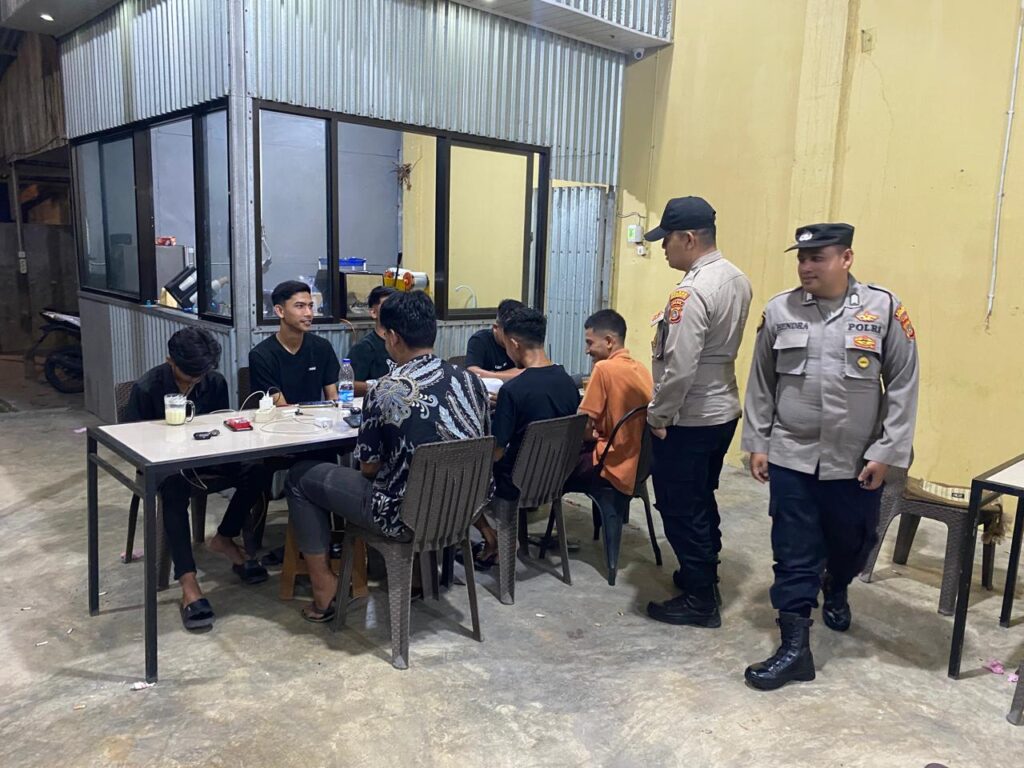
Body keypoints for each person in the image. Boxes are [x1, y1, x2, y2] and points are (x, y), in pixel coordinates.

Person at [741, 222, 919, 690]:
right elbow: (761, 382)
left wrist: (887, 451)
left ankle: (837, 584)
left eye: (817, 257)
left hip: (856, 460)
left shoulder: (883, 309)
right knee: (793, 551)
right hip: (792, 455)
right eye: (802, 258)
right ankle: (794, 648)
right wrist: (758, 441)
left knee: (853, 544)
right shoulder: (780, 310)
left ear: (846, 258)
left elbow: (903, 384)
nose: (806, 267)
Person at [285, 291, 490, 622]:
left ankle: (324, 590)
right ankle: (419, 577)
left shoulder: (386, 389)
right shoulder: (471, 381)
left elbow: (368, 468)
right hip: (461, 510)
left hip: (402, 518)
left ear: (392, 336)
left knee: (299, 476)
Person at [642, 196, 753, 629]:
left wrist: (658, 416)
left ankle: (700, 600)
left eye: (666, 239)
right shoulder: (736, 278)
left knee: (679, 506)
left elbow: (680, 366)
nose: (662, 248)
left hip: (688, 417)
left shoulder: (690, 291)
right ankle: (700, 574)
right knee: (701, 497)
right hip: (721, 410)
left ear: (688, 238)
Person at [125, 328, 269, 631]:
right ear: (170, 361)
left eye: (201, 374)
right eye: (189, 375)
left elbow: (219, 427)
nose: (195, 381)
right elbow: (131, 443)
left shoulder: (213, 381)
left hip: (206, 459)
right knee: (174, 491)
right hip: (166, 465)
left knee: (258, 467)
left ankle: (224, 537)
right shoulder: (147, 388)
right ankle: (188, 582)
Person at [469, 307, 581, 566]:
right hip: (556, 477)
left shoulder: (514, 390)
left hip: (516, 481)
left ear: (514, 344)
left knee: (462, 474)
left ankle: (489, 540)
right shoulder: (567, 381)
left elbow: (497, 452)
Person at [564, 309, 654, 495]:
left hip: (610, 466)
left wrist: (593, 435)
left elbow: (583, 424)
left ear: (609, 341)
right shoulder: (641, 369)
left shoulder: (603, 369)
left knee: (554, 468)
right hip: (639, 465)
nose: (587, 350)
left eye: (590, 343)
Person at [249, 280, 340, 405]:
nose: (309, 313)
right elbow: (282, 408)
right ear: (280, 311)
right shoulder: (261, 355)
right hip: (282, 417)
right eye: (300, 306)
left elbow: (333, 398)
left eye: (310, 306)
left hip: (317, 416)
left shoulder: (322, 347)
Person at [347, 285, 397, 397]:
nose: (393, 309)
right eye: (388, 305)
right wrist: (382, 387)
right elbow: (348, 385)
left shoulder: (405, 345)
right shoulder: (363, 348)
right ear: (373, 312)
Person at [464, 298, 524, 382]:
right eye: (509, 332)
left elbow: (531, 369)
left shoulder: (523, 340)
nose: (514, 338)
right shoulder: (479, 340)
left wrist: (491, 375)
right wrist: (510, 375)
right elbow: (472, 373)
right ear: (496, 327)